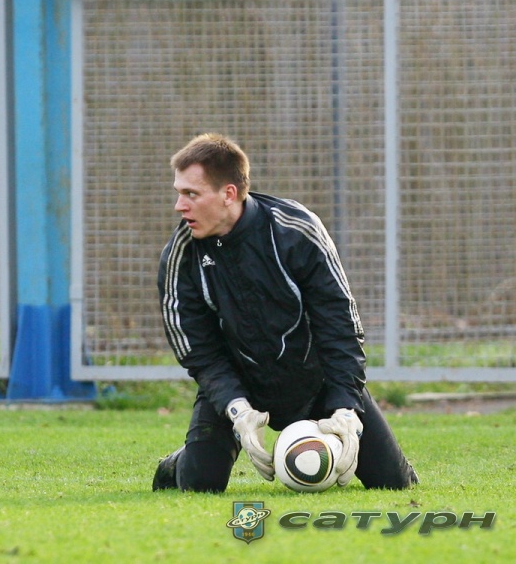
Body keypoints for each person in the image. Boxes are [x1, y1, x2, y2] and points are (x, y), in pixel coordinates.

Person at [153, 133, 419, 493]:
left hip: (317, 381)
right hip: (240, 385)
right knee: (201, 484)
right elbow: (198, 350)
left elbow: (339, 324)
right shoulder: (181, 256)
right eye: (179, 192)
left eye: (191, 194)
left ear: (228, 194)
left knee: (393, 483)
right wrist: (236, 407)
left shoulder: (295, 230)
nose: (179, 206)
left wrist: (345, 407)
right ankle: (176, 463)